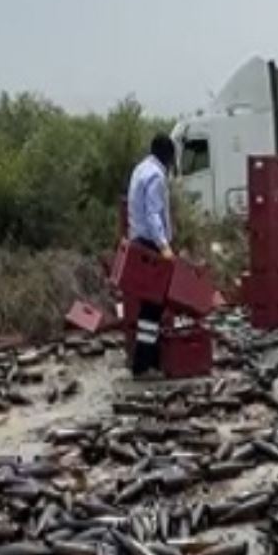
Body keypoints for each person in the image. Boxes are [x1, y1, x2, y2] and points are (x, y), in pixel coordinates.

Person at [124, 133, 175, 378]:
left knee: (149, 306)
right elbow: (154, 214)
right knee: (152, 308)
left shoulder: (140, 169)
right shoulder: (156, 176)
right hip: (151, 245)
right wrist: (164, 246)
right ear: (168, 156)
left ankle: (151, 360)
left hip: (138, 242)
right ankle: (143, 365)